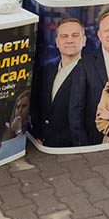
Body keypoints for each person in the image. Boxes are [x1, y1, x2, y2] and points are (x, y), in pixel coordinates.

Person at [71, 11, 109, 146]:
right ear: (99, 35)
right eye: (106, 30)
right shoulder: (85, 64)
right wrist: (83, 144)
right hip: (96, 139)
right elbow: (76, 109)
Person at [33, 18, 86, 147]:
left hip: (68, 149)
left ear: (84, 41)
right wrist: (38, 136)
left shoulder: (90, 74)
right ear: (57, 42)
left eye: (75, 35)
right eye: (64, 36)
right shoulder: (46, 71)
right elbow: (36, 106)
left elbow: (87, 119)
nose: (69, 40)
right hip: (39, 143)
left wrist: (49, 143)